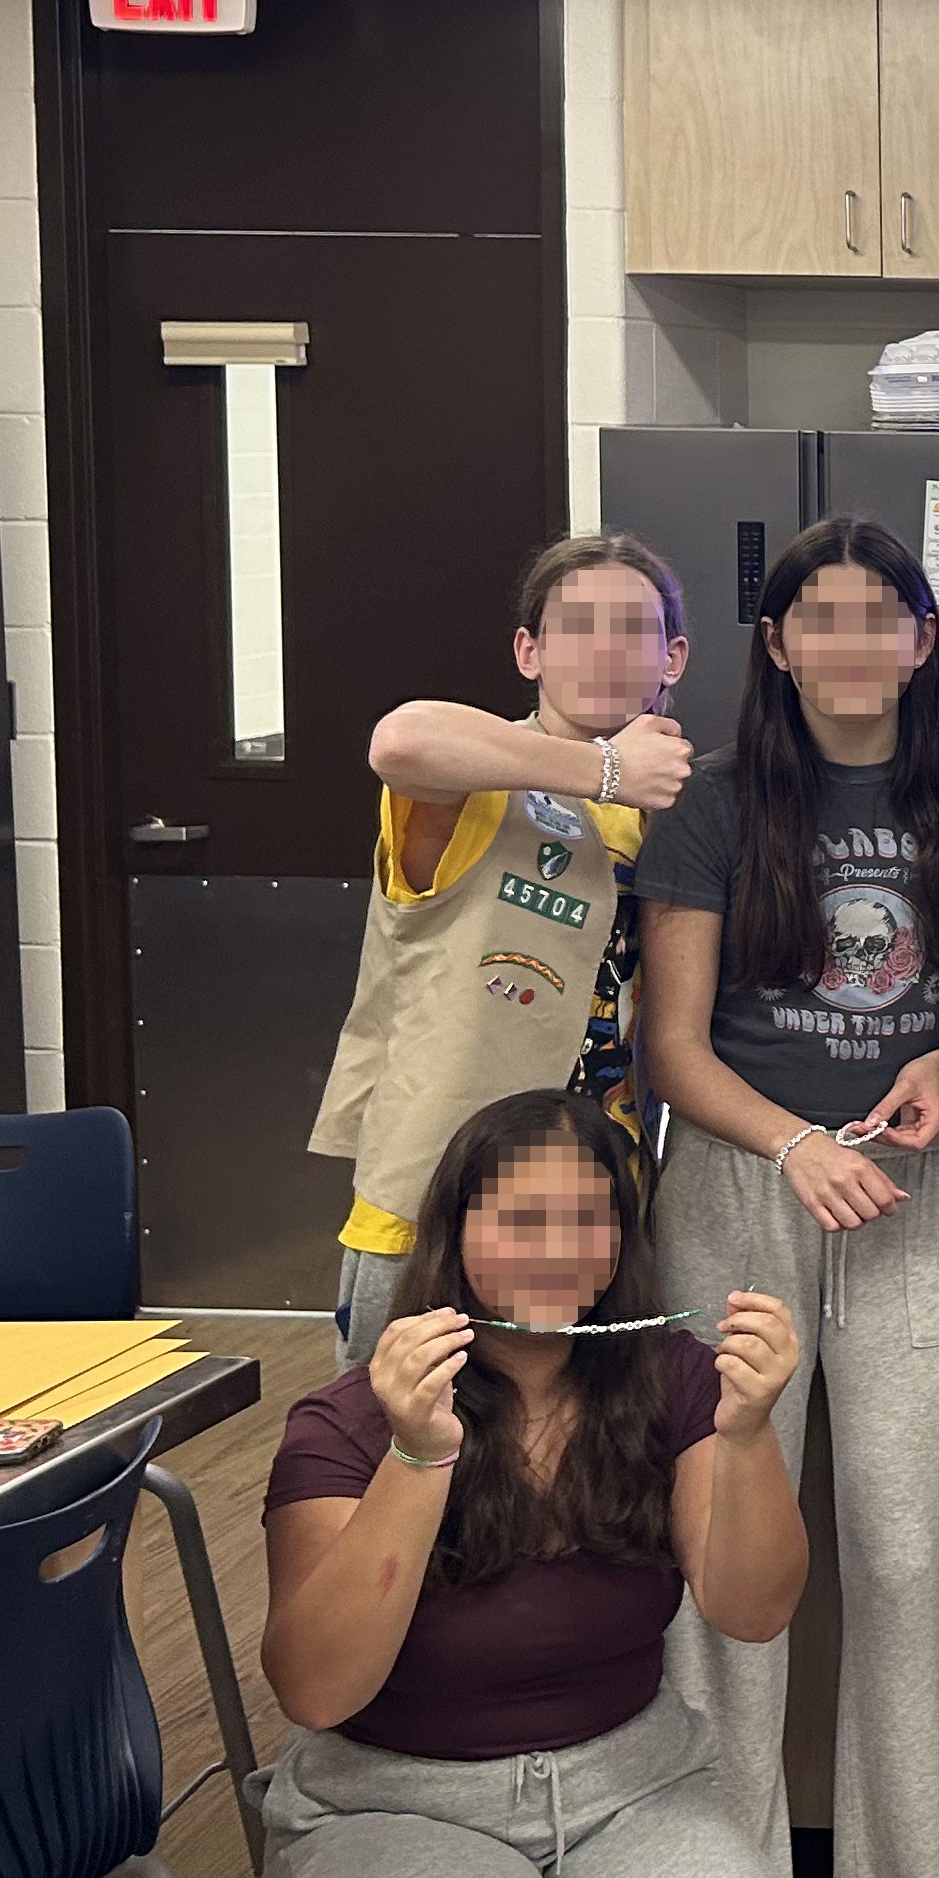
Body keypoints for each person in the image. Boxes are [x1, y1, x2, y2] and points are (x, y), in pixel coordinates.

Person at [257, 1088, 842, 1878]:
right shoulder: (348, 1420)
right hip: (393, 1802)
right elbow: (316, 1689)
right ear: (454, 1232)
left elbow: (752, 1608)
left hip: (630, 1789)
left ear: (623, 1239)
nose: (557, 1250)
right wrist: (418, 1458)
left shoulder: (672, 1385)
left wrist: (750, 1429)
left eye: (589, 1218)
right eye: (518, 1220)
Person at [638, 515, 939, 1878]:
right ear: (782, 643)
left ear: (926, 642)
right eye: (825, 616)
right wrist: (794, 1144)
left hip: (916, 1187)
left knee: (906, 1546)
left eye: (884, 615)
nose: (856, 640)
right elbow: (675, 1045)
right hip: (743, 1184)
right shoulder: (718, 802)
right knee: (726, 1558)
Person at [315, 532, 691, 1360]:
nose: (603, 648)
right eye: (576, 625)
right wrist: (599, 768)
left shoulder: (678, 811)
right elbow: (400, 742)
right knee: (402, 1451)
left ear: (672, 658)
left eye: (630, 627)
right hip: (437, 1202)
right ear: (530, 651)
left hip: (600, 1210)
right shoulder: (478, 784)